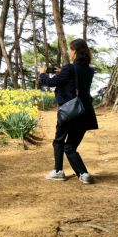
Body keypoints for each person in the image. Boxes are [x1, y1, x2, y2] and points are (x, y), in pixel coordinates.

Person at [38, 38, 99, 184]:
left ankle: (58, 171)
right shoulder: (89, 70)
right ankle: (84, 174)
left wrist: (42, 74)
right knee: (70, 146)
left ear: (75, 51)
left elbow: (51, 82)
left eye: (70, 50)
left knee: (59, 141)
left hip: (69, 112)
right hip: (85, 113)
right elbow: (74, 80)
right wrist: (63, 72)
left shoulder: (69, 69)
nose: (69, 53)